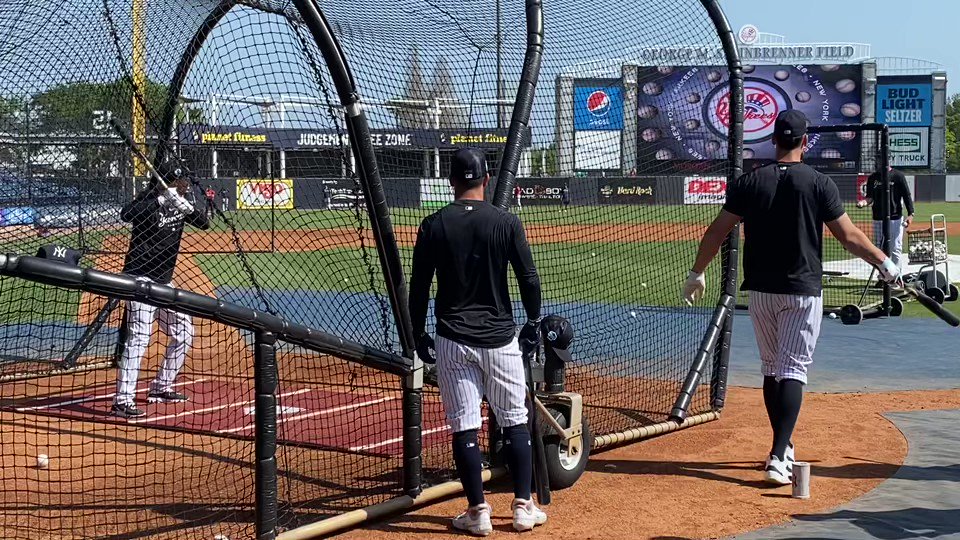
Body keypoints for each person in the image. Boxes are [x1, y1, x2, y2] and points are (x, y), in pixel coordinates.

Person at [682, 110, 901, 485]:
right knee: (793, 370)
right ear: (805, 141)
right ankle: (779, 454)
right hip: (801, 290)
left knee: (773, 368)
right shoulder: (818, 182)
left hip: (762, 290)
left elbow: (717, 231)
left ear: (773, 139)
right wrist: (884, 263)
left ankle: (781, 445)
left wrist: (696, 272)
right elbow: (848, 236)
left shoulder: (750, 181)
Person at [409, 148, 547, 535]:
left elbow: (419, 287)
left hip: (452, 338)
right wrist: (533, 322)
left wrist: (418, 331)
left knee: (464, 426)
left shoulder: (432, 224)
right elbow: (529, 279)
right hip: (501, 338)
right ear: (486, 179)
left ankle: (477, 511)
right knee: (515, 421)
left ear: (451, 181)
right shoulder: (506, 222)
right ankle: (523, 507)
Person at [112, 163, 210, 419]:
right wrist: (158, 200)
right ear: (167, 182)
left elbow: (204, 223)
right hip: (139, 279)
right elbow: (126, 214)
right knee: (139, 338)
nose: (186, 185)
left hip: (164, 282)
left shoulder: (182, 200)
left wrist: (188, 208)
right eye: (181, 182)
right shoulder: (148, 198)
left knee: (185, 333)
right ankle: (122, 401)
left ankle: (161, 387)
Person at [858, 165, 914, 271]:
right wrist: (863, 202)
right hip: (878, 217)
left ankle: (897, 277)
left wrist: (911, 213)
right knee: (879, 248)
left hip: (895, 217)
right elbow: (869, 198)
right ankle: (882, 277)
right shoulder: (873, 178)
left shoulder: (898, 176)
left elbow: (907, 195)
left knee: (895, 247)